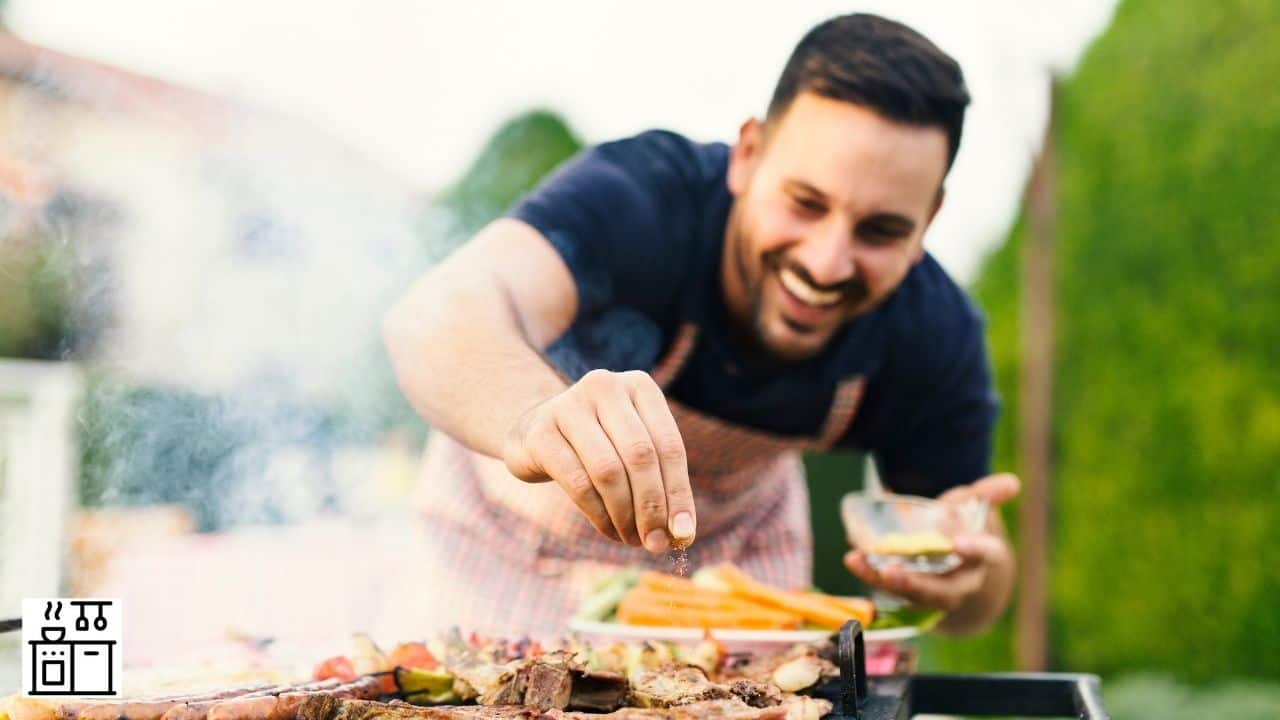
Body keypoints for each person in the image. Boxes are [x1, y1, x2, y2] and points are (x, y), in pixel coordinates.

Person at [382, 12, 1018, 637]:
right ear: (747, 155)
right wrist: (533, 420)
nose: (826, 264)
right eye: (805, 203)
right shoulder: (644, 198)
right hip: (510, 550)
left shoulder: (932, 331)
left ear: (928, 219)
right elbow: (435, 314)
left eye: (880, 230)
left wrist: (966, 580)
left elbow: (978, 594)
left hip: (735, 571)